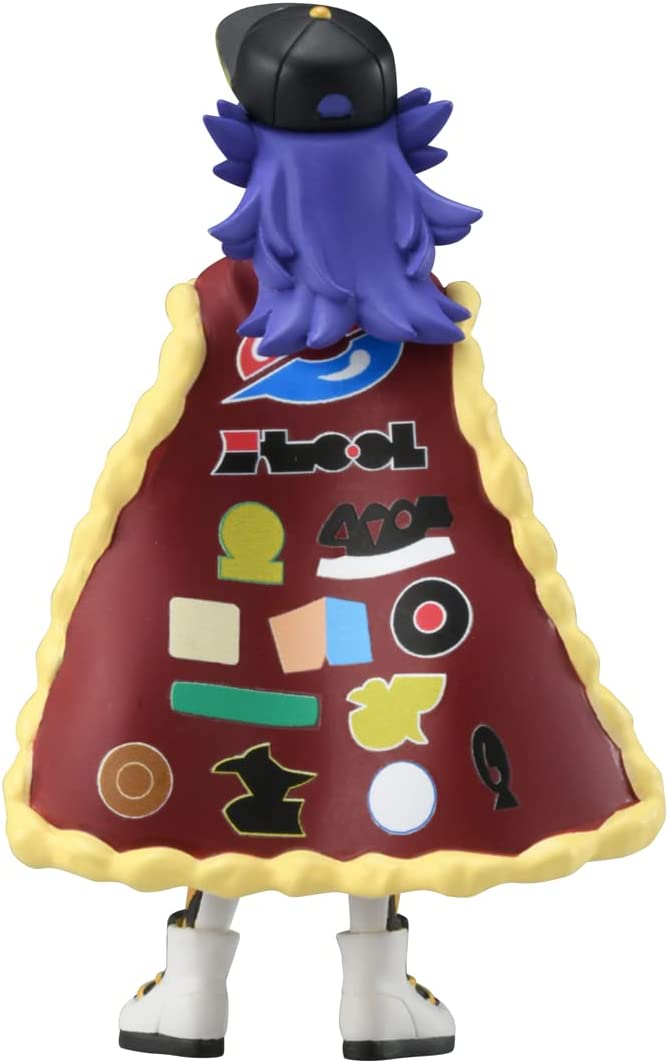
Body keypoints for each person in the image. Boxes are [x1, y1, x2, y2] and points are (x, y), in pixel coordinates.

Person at [5, 5, 664, 1059]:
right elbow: (474, 475)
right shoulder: (429, 327)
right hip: (389, 608)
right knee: (383, 761)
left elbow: (153, 459)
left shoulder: (216, 311)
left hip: (232, 609)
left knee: (221, 769)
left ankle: (190, 991)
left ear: (257, 165)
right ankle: (376, 995)